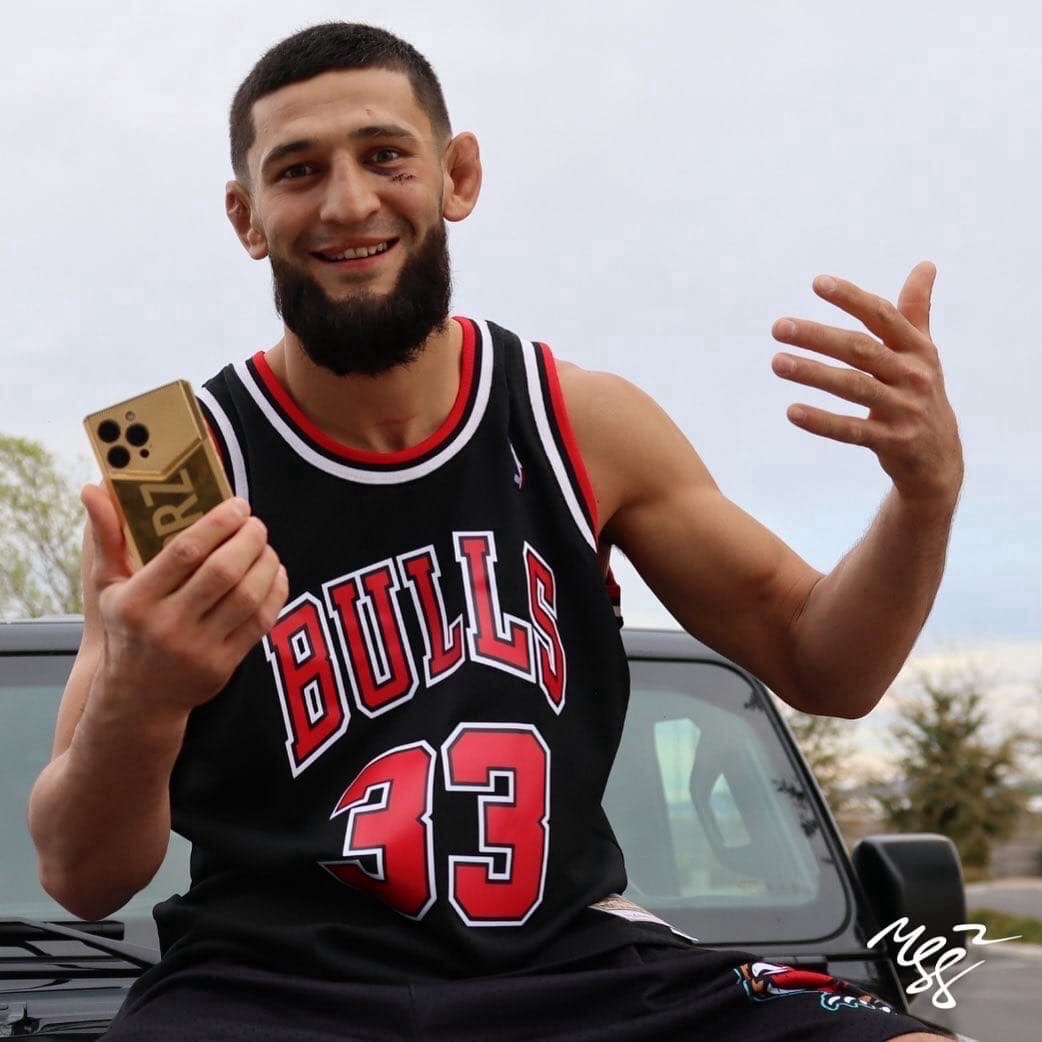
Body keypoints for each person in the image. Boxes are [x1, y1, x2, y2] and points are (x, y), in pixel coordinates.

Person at [28, 22, 963, 1042]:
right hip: (268, 988)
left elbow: (827, 664)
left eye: (385, 155)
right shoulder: (177, 473)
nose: (348, 202)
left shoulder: (577, 424)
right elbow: (81, 875)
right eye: (299, 171)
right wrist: (145, 694)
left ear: (457, 175)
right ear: (247, 218)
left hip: (574, 968)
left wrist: (924, 494)